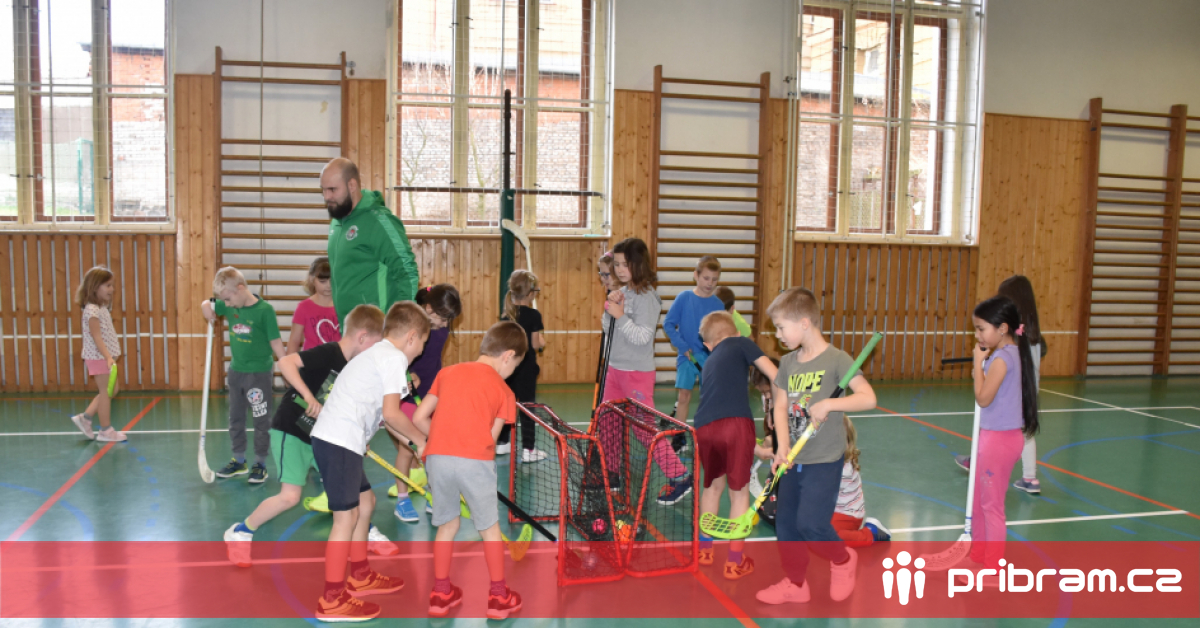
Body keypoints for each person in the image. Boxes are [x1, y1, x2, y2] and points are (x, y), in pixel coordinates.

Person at [223, 305, 398, 566]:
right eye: (376, 343)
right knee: (290, 497)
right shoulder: (330, 353)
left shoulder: (357, 367)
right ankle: (240, 532)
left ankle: (365, 533)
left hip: (328, 438)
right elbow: (285, 362)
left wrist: (360, 437)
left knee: (364, 497)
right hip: (294, 431)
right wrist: (307, 396)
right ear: (362, 337)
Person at [308, 301, 431, 622]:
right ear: (411, 337)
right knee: (345, 518)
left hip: (342, 440)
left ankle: (360, 575)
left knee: (366, 502)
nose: (420, 352)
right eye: (422, 344)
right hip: (338, 440)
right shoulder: (393, 358)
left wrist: (414, 444)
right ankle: (332, 599)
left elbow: (386, 418)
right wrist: (421, 441)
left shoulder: (379, 355)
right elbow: (392, 414)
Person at [756, 287, 876, 606]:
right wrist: (782, 448)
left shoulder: (837, 360)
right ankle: (796, 584)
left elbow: (868, 398)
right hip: (794, 459)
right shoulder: (788, 363)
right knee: (786, 525)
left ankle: (842, 559)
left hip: (824, 459)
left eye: (781, 327)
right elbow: (780, 407)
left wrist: (830, 405)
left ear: (804, 323)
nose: (778, 334)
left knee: (811, 524)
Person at [410, 321, 527, 620]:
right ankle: (499, 597)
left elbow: (420, 417)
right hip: (475, 461)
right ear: (508, 356)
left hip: (437, 458)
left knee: (446, 526)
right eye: (515, 366)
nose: (512, 372)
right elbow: (489, 441)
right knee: (489, 530)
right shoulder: (505, 391)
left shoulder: (447, 372)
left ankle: (440, 594)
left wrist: (441, 440)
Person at [599, 238, 693, 505]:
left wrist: (620, 315)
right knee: (608, 421)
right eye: (616, 264)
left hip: (636, 374)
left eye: (624, 264)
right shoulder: (624, 293)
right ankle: (612, 473)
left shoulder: (648, 298)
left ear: (638, 264)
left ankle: (680, 476)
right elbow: (608, 329)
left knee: (644, 430)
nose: (619, 270)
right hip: (615, 369)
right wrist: (609, 309)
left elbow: (642, 337)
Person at [693, 311, 778, 580]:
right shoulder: (741, 342)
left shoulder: (709, 363)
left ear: (708, 344)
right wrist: (780, 408)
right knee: (738, 492)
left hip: (704, 427)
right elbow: (775, 374)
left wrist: (757, 449)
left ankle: (704, 551)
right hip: (736, 423)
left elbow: (720, 416)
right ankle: (733, 561)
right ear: (736, 332)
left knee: (712, 487)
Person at [962, 295, 1039, 578]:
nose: (977, 335)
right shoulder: (1008, 355)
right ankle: (978, 557)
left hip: (999, 440)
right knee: (978, 501)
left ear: (1003, 328)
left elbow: (983, 398)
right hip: (992, 436)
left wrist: (977, 364)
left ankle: (992, 569)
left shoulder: (1002, 359)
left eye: (981, 329)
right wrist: (982, 366)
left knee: (991, 506)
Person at [955, 275, 1045, 494]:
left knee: (992, 424)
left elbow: (1004, 369)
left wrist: (982, 370)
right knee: (1025, 432)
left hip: (1013, 392)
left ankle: (979, 459)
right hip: (1028, 390)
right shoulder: (1031, 333)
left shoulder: (1015, 337)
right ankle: (1030, 477)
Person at [201, 267, 285, 484]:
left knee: (261, 419)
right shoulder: (230, 304)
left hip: (258, 374)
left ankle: (260, 464)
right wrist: (206, 307)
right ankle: (239, 461)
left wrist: (286, 365)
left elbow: (275, 341)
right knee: (235, 418)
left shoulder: (265, 310)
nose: (226, 305)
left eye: (228, 299)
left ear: (240, 288)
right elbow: (208, 303)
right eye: (224, 301)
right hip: (236, 372)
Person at [389, 284, 462, 522]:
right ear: (428, 308)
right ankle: (402, 500)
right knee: (407, 448)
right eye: (442, 318)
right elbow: (395, 354)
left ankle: (433, 494)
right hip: (407, 392)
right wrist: (407, 373)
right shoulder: (410, 326)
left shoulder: (442, 325)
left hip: (432, 393)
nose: (445, 324)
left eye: (448, 319)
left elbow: (432, 359)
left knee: (434, 446)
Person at [322, 157, 420, 326]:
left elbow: (407, 273)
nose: (326, 197)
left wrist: (401, 326)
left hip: (378, 330)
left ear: (352, 185)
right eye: (323, 190)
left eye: (332, 189)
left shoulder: (379, 221)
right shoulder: (336, 223)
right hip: (349, 329)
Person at [662, 255, 724, 436]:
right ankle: (679, 436)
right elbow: (668, 324)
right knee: (683, 396)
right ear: (696, 275)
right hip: (687, 356)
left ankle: (706, 435)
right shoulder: (684, 298)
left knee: (708, 398)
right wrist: (682, 346)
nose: (710, 283)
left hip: (710, 360)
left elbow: (721, 334)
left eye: (714, 279)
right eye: (706, 278)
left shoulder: (718, 305)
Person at [496, 270, 549, 462]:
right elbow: (534, 344)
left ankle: (502, 443)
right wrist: (541, 342)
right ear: (531, 294)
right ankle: (529, 449)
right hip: (526, 369)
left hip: (508, 369)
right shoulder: (533, 315)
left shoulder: (506, 316)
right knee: (527, 407)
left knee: (506, 404)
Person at [69, 266, 127, 442]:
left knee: (111, 390)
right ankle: (105, 431)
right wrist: (108, 357)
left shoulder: (100, 307)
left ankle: (85, 418)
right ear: (95, 287)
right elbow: (96, 337)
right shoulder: (92, 310)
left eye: (112, 285)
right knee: (106, 393)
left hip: (103, 357)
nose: (112, 289)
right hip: (98, 357)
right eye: (107, 285)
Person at [828, 417, 891, 547]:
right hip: (832, 509)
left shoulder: (842, 470)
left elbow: (818, 493)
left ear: (848, 444)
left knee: (827, 538)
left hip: (847, 515)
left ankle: (871, 534)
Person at [288, 257, 340, 354]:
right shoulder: (303, 307)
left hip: (339, 360)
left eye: (332, 281)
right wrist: (290, 362)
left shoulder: (342, 306)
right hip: (311, 361)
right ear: (312, 278)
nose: (328, 286)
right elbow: (294, 341)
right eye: (322, 281)